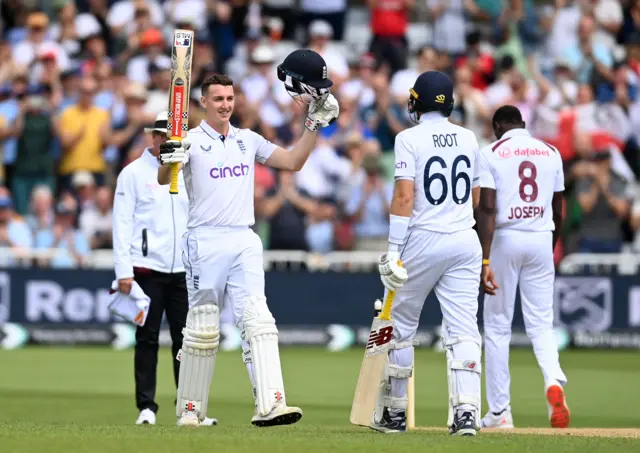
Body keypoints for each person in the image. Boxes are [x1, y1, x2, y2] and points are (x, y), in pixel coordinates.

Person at [156, 50, 340, 427]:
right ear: (203, 103)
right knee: (204, 325)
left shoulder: (247, 139)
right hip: (204, 240)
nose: (225, 105)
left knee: (257, 319)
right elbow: (164, 181)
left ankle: (272, 403)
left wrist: (313, 126)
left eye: (230, 98)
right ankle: (191, 410)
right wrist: (168, 159)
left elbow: (292, 162)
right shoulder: (189, 140)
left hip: (244, 238)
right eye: (218, 100)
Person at [373, 71, 483, 436]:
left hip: (423, 237)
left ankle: (395, 412)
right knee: (464, 328)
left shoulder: (408, 138)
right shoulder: (469, 137)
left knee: (400, 328)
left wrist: (392, 249)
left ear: (416, 101)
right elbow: (476, 197)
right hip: (465, 238)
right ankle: (466, 411)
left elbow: (404, 196)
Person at [112, 111, 216, 426]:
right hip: (145, 269)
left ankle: (190, 408)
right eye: (160, 135)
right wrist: (123, 271)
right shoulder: (132, 173)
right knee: (147, 338)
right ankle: (146, 407)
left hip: (184, 270)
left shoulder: (190, 172)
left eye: (169, 136)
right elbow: (122, 224)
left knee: (188, 341)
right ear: (152, 137)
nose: (163, 141)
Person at [475, 105, 569, 429]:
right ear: (524, 124)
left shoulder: (491, 152)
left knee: (498, 326)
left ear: (497, 126)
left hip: (505, 239)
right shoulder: (551, 151)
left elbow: (486, 208)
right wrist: (551, 242)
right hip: (542, 237)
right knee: (542, 323)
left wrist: (484, 258)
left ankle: (500, 412)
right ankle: (553, 381)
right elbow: (559, 207)